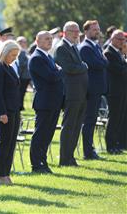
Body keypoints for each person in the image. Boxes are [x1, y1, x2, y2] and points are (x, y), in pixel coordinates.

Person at [53, 21, 88, 166]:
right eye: (74, 31)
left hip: (80, 92)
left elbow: (77, 67)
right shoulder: (62, 48)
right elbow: (69, 68)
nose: (77, 34)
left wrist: (81, 67)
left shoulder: (73, 47)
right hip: (71, 93)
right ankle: (65, 159)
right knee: (69, 126)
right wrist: (84, 66)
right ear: (65, 32)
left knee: (76, 126)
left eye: (77, 31)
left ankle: (70, 157)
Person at [28, 31, 63, 174]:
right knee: (41, 134)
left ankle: (43, 162)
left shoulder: (47, 56)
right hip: (44, 102)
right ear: (37, 41)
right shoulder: (37, 58)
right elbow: (51, 77)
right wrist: (59, 70)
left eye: (51, 39)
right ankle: (36, 164)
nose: (50, 41)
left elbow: (56, 74)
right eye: (46, 39)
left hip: (53, 101)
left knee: (48, 134)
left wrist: (58, 71)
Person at [0, 40, 21, 185]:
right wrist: (2, 112)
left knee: (12, 143)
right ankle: (0, 174)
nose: (14, 57)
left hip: (14, 110)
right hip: (5, 112)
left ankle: (6, 173)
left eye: (16, 55)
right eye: (12, 54)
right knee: (5, 142)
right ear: (5, 53)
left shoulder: (9, 67)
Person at [79, 20, 108, 160]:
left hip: (97, 89)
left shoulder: (95, 46)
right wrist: (103, 61)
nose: (97, 31)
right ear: (86, 31)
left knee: (92, 120)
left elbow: (104, 62)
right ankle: (88, 151)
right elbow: (97, 64)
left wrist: (103, 62)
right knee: (89, 121)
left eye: (98, 29)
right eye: (94, 29)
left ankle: (90, 149)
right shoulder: (85, 47)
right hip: (90, 90)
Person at [104, 30, 127, 153]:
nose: (122, 42)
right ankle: (111, 145)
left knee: (121, 118)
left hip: (122, 90)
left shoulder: (119, 52)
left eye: (123, 39)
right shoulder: (109, 53)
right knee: (114, 118)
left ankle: (119, 143)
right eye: (119, 39)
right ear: (112, 39)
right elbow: (119, 70)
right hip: (114, 91)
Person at [16, 36, 31, 110]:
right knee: (21, 92)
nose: (25, 43)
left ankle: (21, 105)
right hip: (22, 75)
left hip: (26, 75)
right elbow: (21, 64)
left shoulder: (25, 51)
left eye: (25, 42)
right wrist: (28, 61)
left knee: (23, 91)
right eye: (23, 42)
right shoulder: (20, 51)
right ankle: (19, 105)